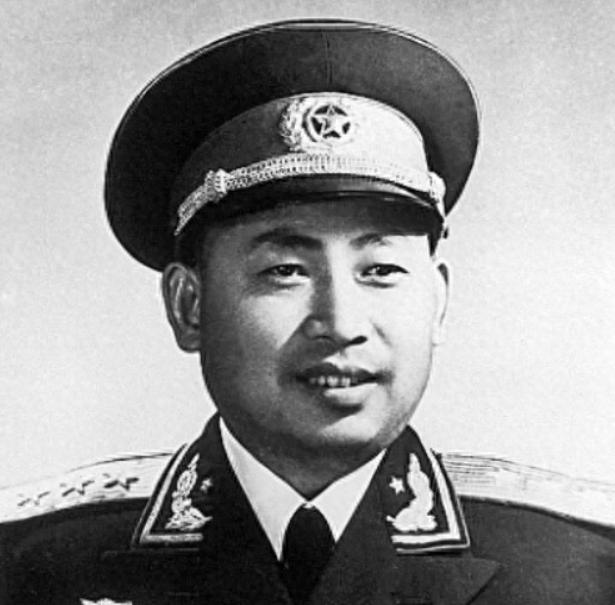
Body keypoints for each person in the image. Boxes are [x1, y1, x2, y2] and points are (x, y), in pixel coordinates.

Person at [2, 19, 614, 605]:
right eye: (285, 271)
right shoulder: (30, 564)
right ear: (189, 306)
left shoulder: (583, 570)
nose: (343, 325)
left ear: (438, 303)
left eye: (381, 270)